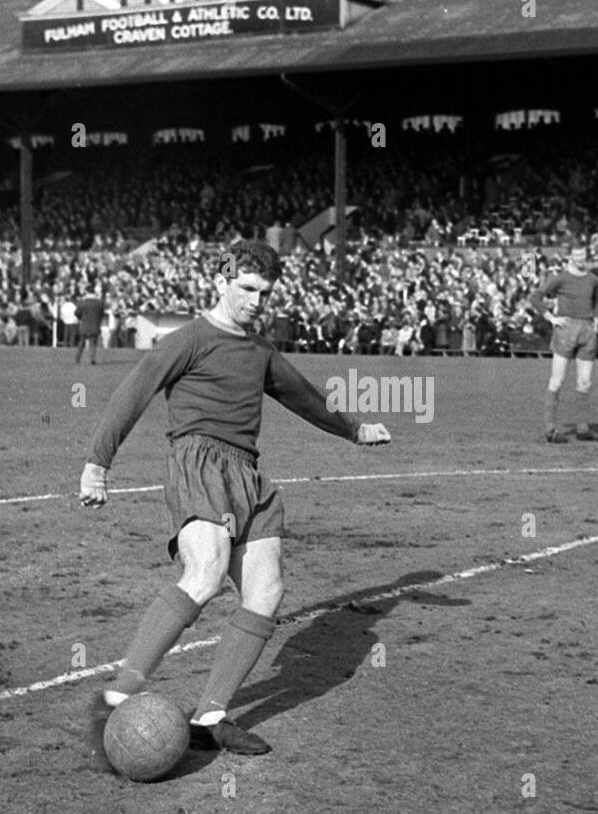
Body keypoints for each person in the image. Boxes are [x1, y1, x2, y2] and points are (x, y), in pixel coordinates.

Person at [80, 240, 390, 758]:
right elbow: (133, 392)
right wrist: (97, 463)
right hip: (199, 464)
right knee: (205, 573)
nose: (256, 301)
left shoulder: (261, 350)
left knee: (266, 592)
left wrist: (355, 431)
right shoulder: (190, 339)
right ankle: (118, 694)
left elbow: (307, 399)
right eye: (247, 288)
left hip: (249, 478)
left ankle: (210, 715)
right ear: (221, 281)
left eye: (264, 292)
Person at [530, 244, 598, 442]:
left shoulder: (592, 279)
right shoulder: (561, 278)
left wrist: (596, 319)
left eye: (584, 254)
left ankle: (582, 428)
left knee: (585, 382)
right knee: (557, 380)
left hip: (587, 331)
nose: (582, 258)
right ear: (570, 257)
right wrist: (551, 318)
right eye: (578, 255)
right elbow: (535, 296)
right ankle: (550, 429)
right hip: (566, 330)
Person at [75, 289, 104, 365]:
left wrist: (81, 317)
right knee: (93, 343)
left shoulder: (82, 302)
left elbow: (77, 313)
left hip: (85, 325)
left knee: (81, 342)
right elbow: (101, 314)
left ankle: (78, 357)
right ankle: (92, 358)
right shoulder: (99, 303)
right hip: (95, 325)